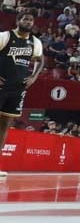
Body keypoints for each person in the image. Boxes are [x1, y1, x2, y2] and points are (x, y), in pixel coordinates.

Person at [0, 11, 44, 178]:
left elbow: (40, 60)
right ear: (18, 21)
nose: (28, 21)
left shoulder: (35, 42)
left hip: (18, 89)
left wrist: (33, 77)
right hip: (1, 86)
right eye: (25, 18)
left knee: (4, 126)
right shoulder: (5, 36)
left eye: (31, 19)